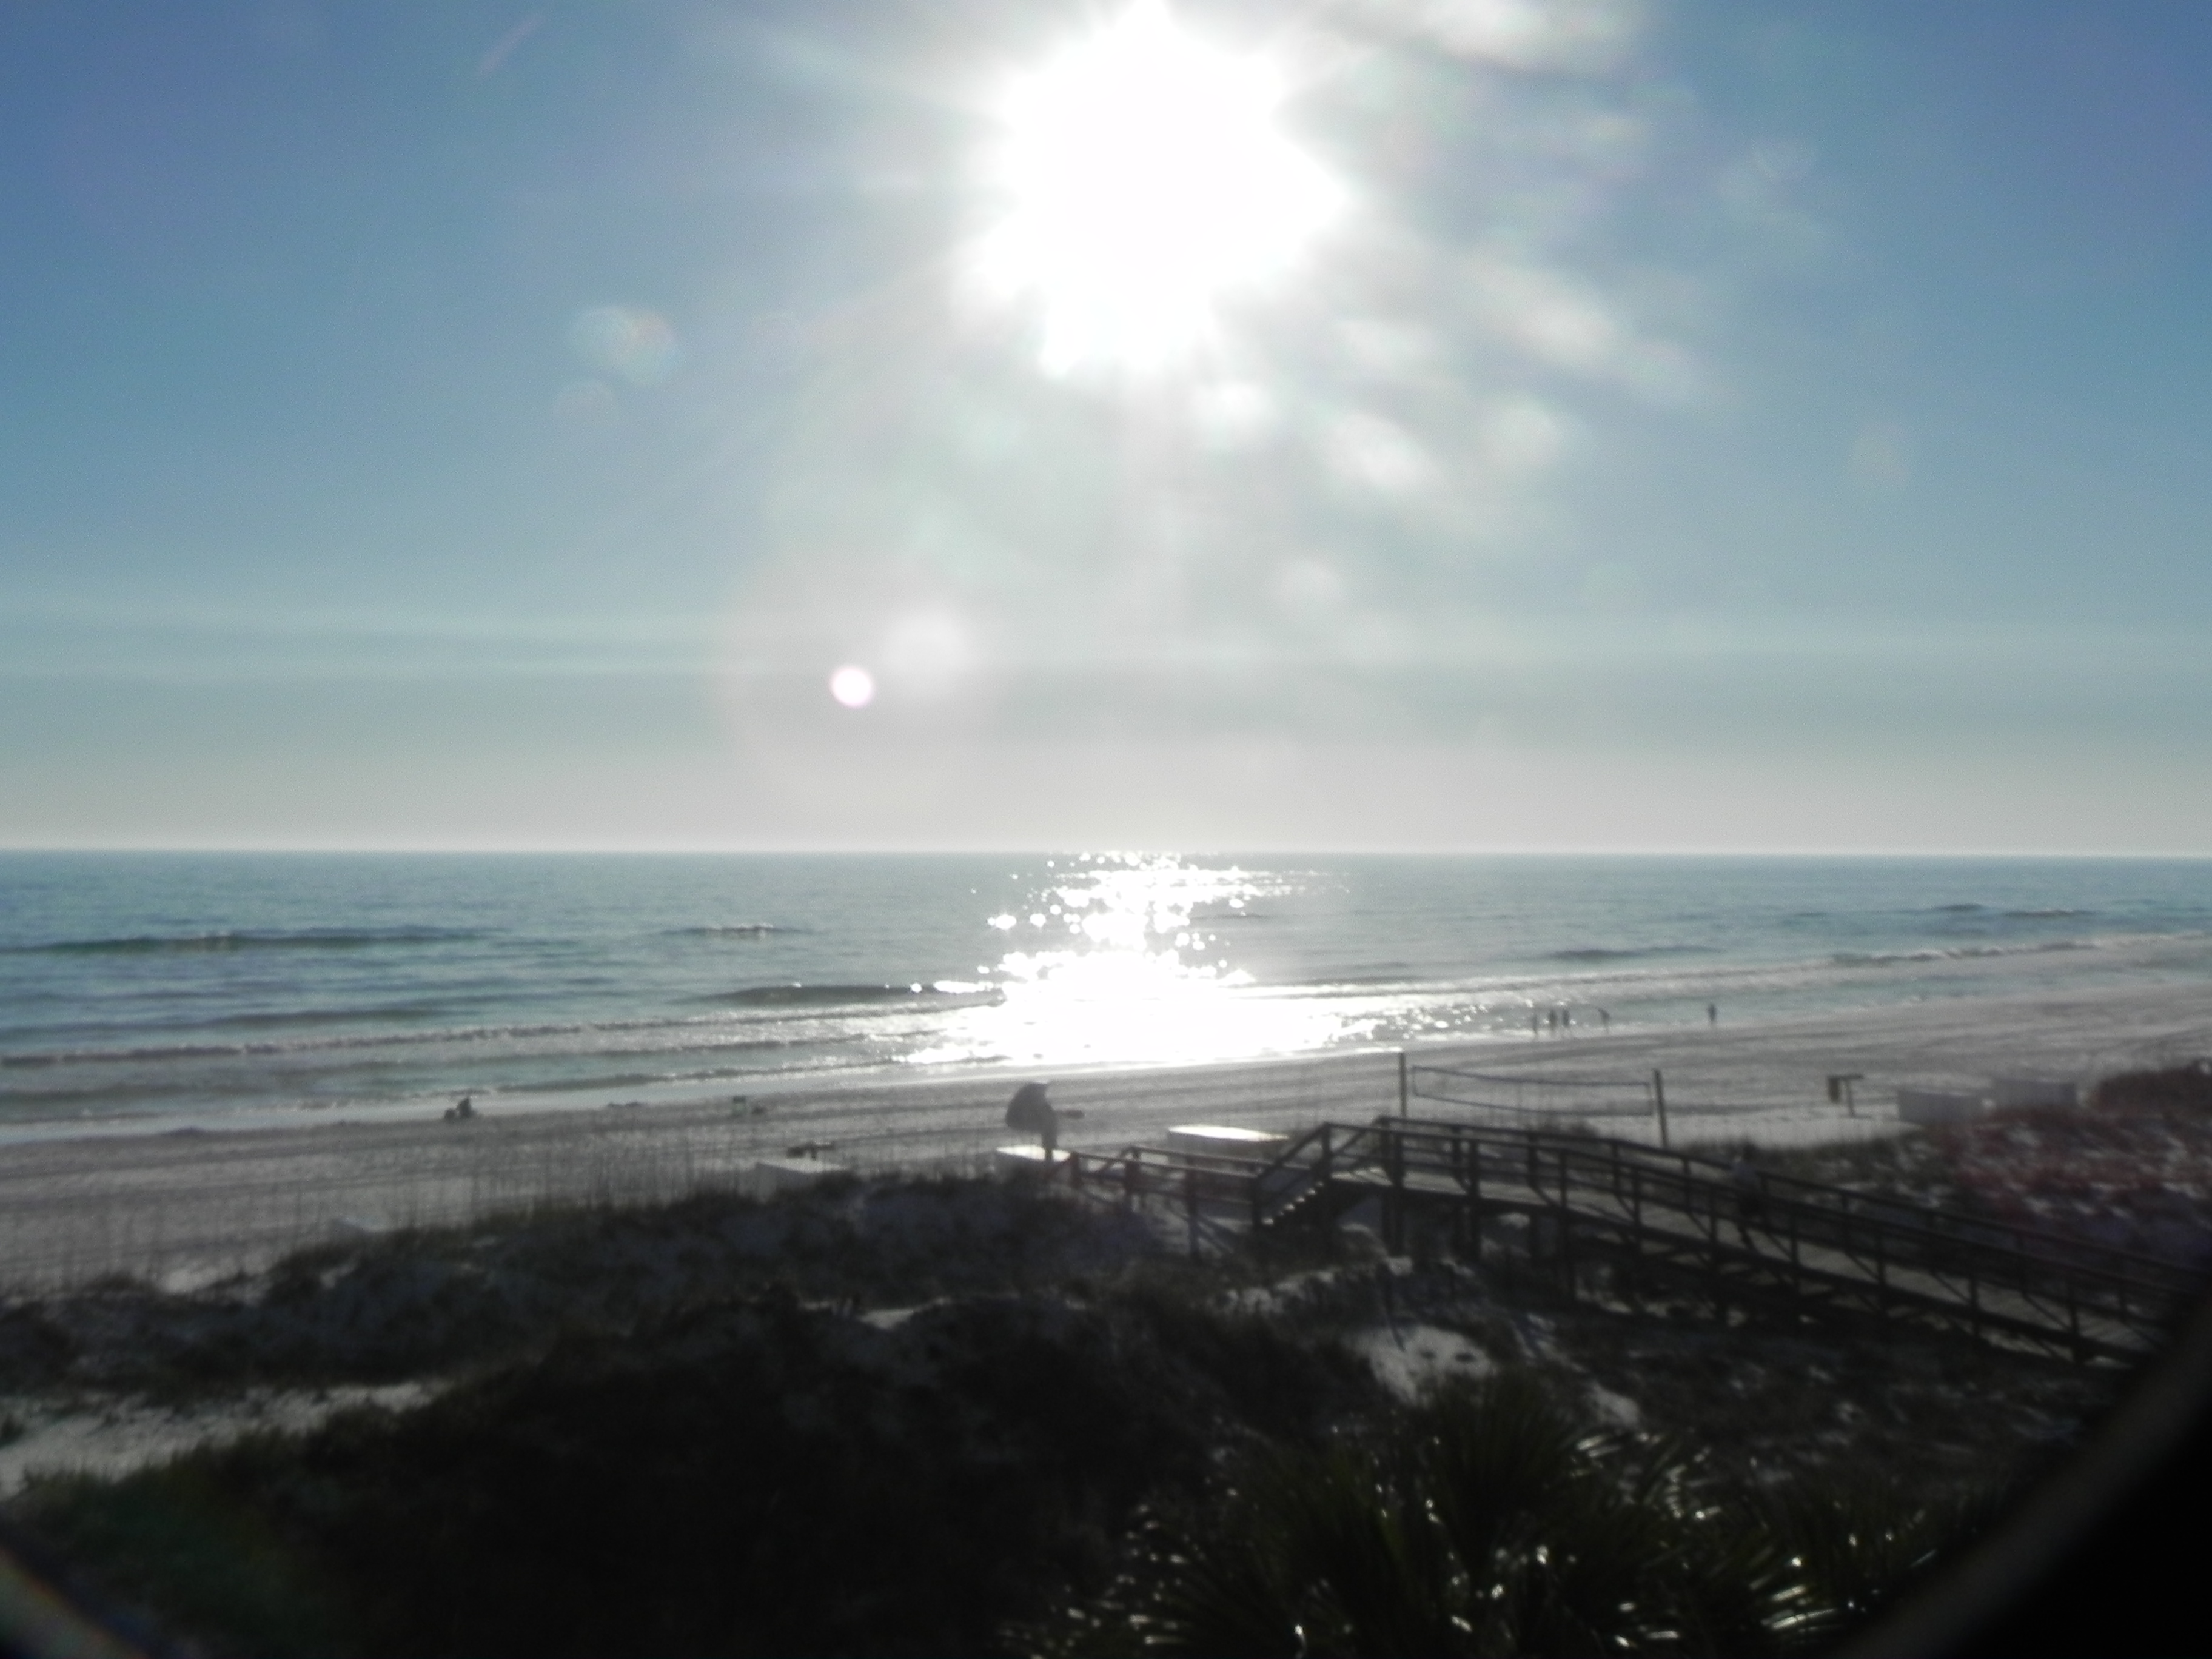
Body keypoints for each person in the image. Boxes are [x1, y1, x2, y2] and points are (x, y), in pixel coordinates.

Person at [1005, 1079, 1059, 1156]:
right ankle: (1050, 1153)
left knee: (1050, 1123)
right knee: (1050, 1126)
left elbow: (1044, 1110)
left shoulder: (1029, 1093)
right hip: (1018, 1120)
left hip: (1017, 1118)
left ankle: (1050, 1152)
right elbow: (1042, 1110)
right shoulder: (1035, 1094)